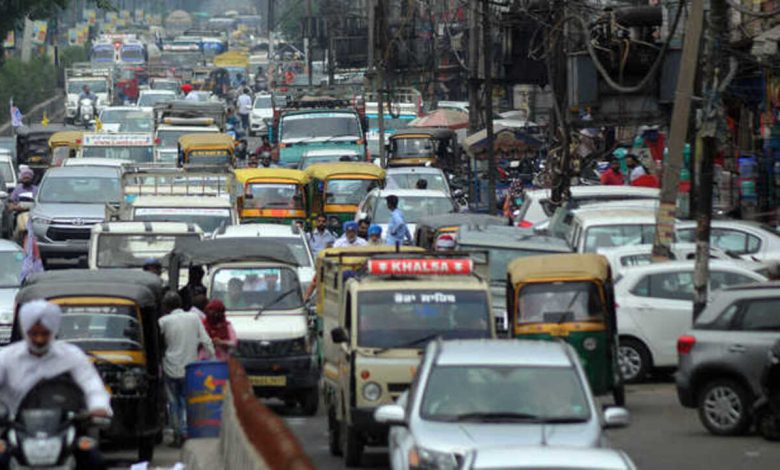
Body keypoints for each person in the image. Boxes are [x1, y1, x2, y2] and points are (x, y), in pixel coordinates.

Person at [0, 300, 111, 468]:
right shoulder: (7, 357)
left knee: (94, 459)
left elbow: (92, 385)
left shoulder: (71, 356)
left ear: (53, 331)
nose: (39, 339)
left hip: (64, 429)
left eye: (45, 334)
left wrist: (99, 407)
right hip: (16, 430)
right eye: (34, 334)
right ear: (24, 331)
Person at [158, 292, 214, 448]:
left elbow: (158, 345)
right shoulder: (194, 318)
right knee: (186, 401)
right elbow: (206, 340)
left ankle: (177, 434)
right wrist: (212, 360)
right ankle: (185, 432)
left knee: (173, 403)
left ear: (166, 307)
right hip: (190, 368)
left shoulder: (163, 321)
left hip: (170, 367)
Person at [9, 167, 38, 240]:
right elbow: (11, 202)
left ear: (31, 179)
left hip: (32, 216)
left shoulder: (36, 189)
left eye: (28, 178)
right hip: (20, 214)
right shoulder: (18, 189)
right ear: (21, 178)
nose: (26, 180)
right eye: (24, 178)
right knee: (16, 235)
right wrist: (14, 207)